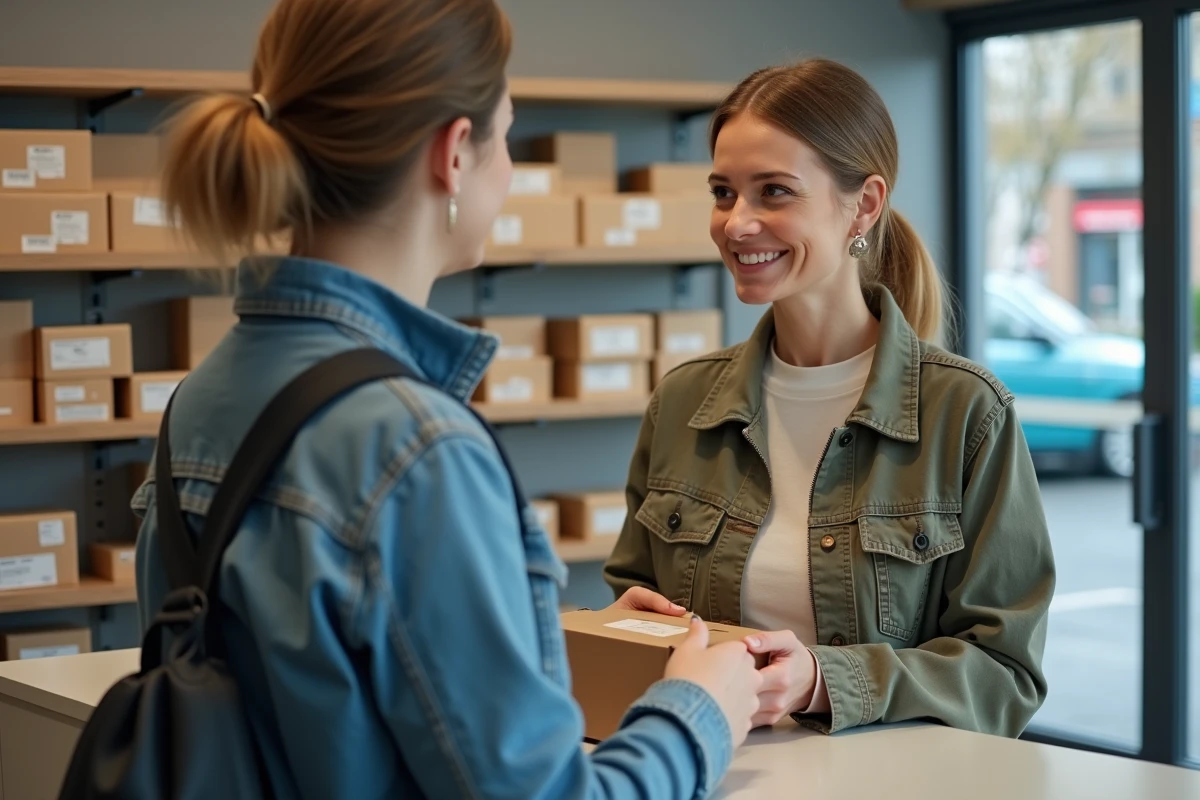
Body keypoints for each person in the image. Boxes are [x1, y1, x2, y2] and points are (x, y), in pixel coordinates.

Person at [131, 0, 762, 796]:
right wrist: (699, 706)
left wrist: (545, 640)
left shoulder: (204, 396)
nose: (508, 168)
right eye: (506, 134)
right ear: (455, 154)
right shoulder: (414, 448)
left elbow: (326, 685)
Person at [604, 58, 1055, 738]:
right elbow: (629, 609)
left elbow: (1007, 673)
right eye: (724, 192)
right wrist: (628, 629)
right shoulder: (683, 401)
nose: (736, 223)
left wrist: (822, 681)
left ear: (865, 205)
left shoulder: (967, 413)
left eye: (774, 192)